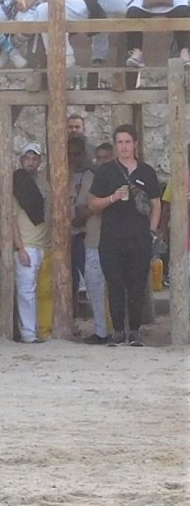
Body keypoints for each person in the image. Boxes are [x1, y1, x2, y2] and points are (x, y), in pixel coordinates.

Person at [89, 124, 162, 346]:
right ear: (115, 145)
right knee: (115, 284)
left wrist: (151, 230)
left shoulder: (147, 171)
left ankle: (136, 331)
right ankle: (119, 330)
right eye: (120, 142)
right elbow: (92, 204)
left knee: (138, 284)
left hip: (139, 237)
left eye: (127, 142)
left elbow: (156, 204)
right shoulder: (106, 171)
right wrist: (111, 198)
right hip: (112, 237)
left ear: (135, 144)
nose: (124, 146)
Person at [68, 137, 110, 344]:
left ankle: (107, 328)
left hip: (89, 233)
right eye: (70, 153)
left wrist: (79, 216)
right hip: (71, 235)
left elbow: (88, 206)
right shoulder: (59, 173)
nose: (74, 158)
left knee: (97, 282)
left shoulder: (90, 176)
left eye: (78, 153)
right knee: (72, 282)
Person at [11, 143, 51, 343]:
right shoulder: (16, 184)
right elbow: (11, 219)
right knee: (26, 290)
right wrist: (20, 247)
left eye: (34, 158)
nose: (31, 162)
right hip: (26, 244)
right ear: (21, 160)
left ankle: (43, 330)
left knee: (44, 291)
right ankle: (28, 332)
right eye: (27, 158)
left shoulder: (44, 183)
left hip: (45, 244)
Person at [122, 0, 190, 68]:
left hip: (176, 1)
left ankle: (184, 52)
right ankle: (136, 52)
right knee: (133, 12)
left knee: (183, 12)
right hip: (142, 1)